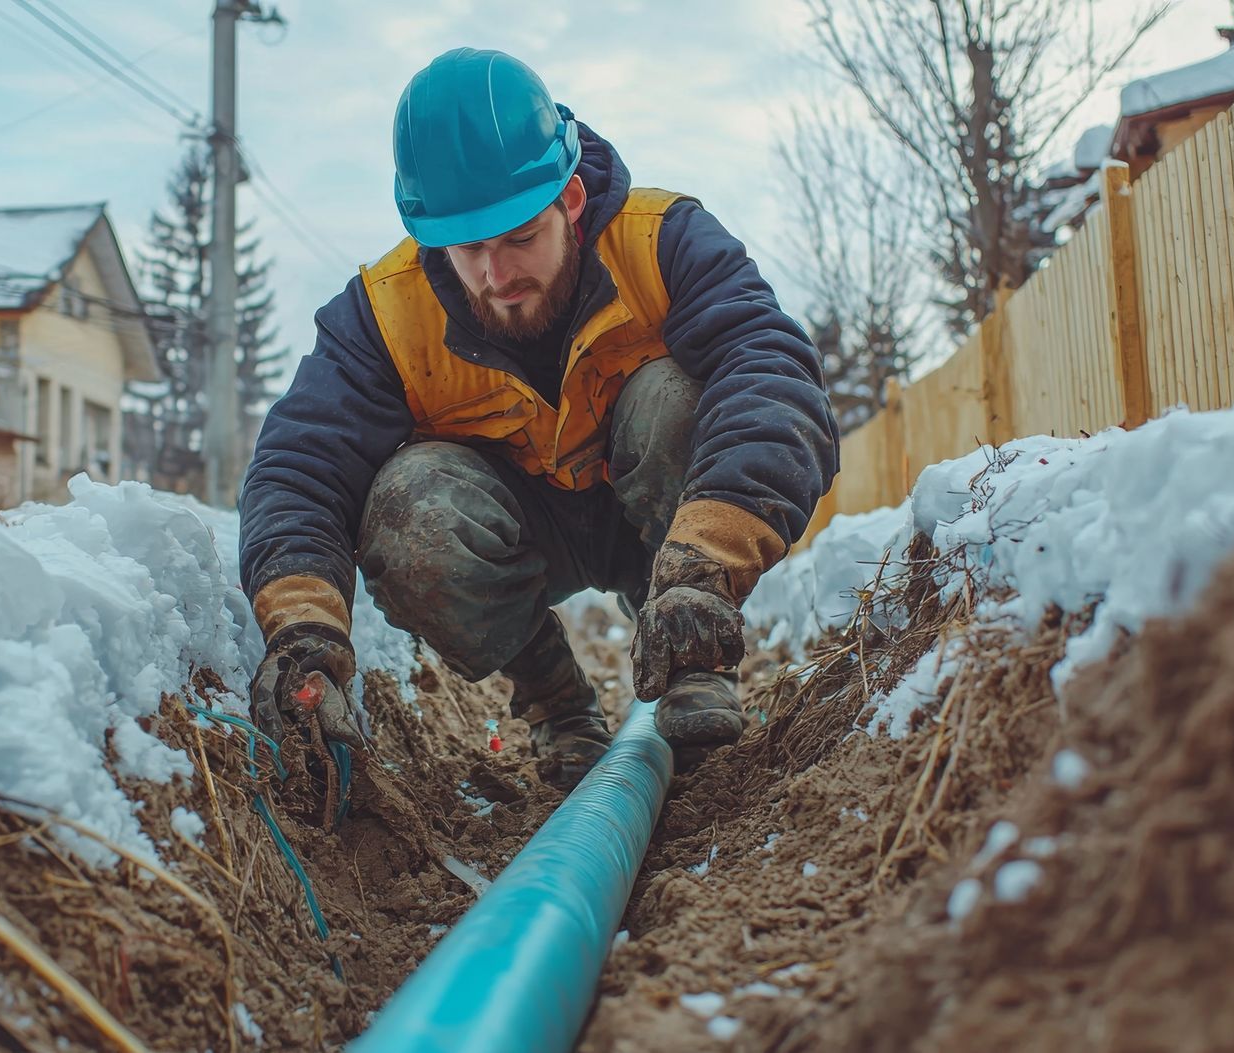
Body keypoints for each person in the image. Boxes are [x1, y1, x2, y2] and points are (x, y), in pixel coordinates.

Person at [239, 48, 838, 789]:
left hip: (654, 517)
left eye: (520, 237)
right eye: (469, 249)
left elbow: (774, 375)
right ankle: (560, 707)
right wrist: (305, 631)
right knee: (406, 503)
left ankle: (691, 654)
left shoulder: (664, 241)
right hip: (518, 533)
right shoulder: (383, 317)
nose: (498, 277)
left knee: (678, 396)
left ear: (573, 200)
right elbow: (299, 466)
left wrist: (706, 567)